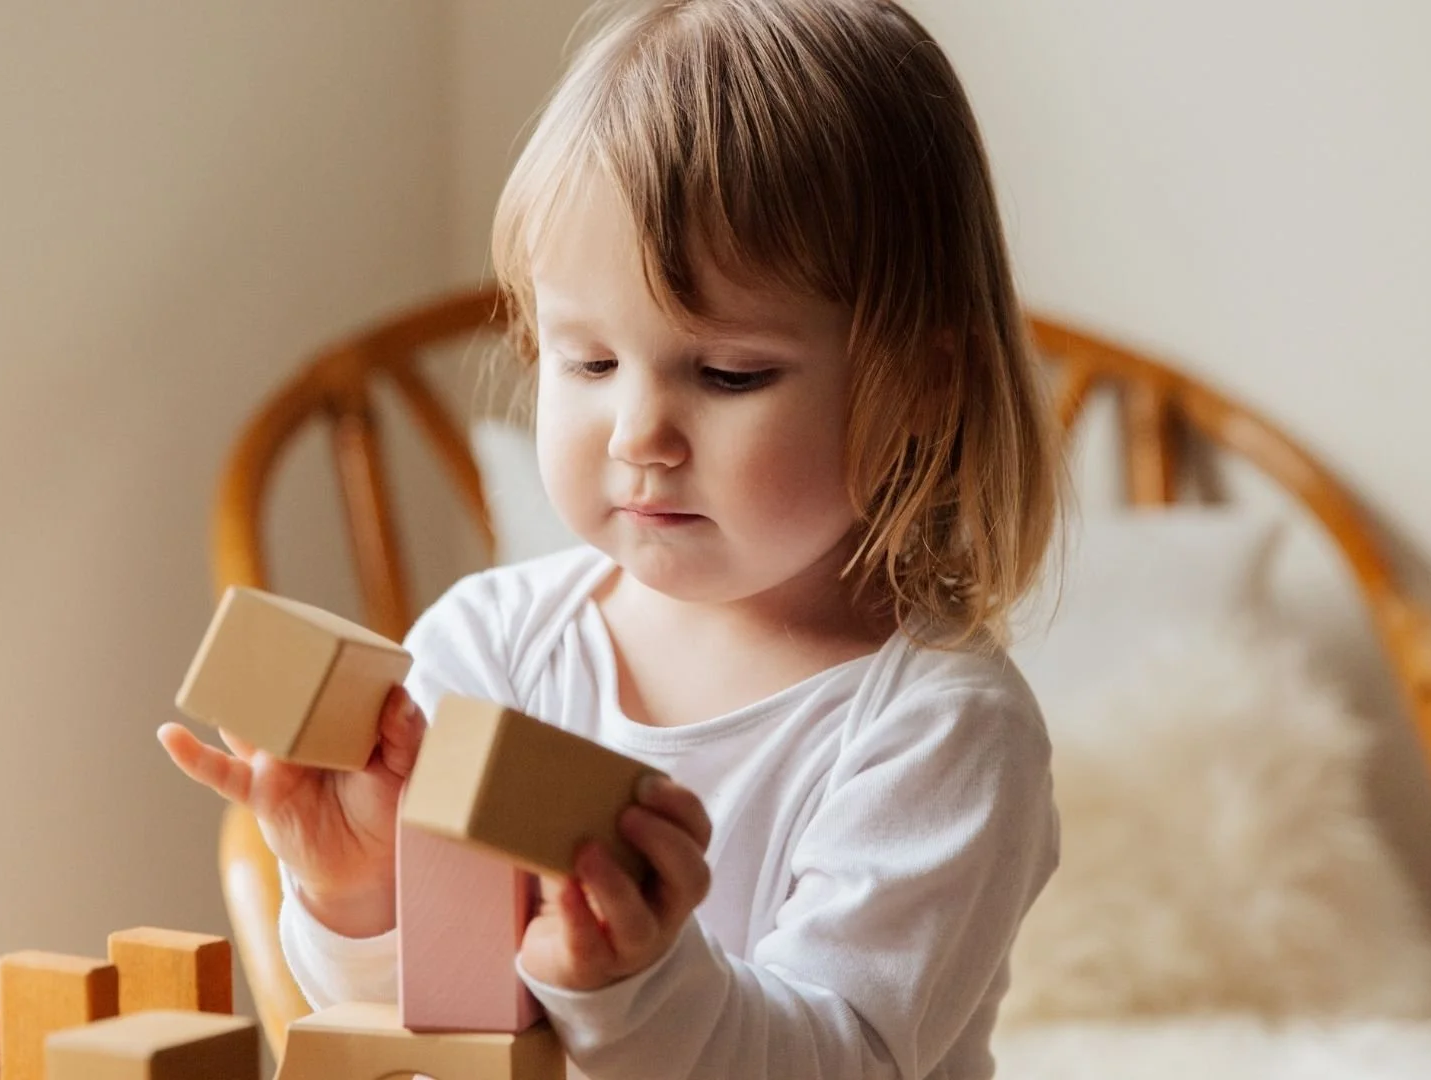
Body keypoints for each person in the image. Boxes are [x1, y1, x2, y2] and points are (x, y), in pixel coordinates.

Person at [160, 0, 1065, 1075]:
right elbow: (425, 1035)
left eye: (728, 373)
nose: (639, 435)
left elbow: (843, 1058)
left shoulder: (941, 732)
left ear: (919, 383)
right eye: (588, 362)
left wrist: (641, 989)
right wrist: (358, 894)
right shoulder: (490, 645)